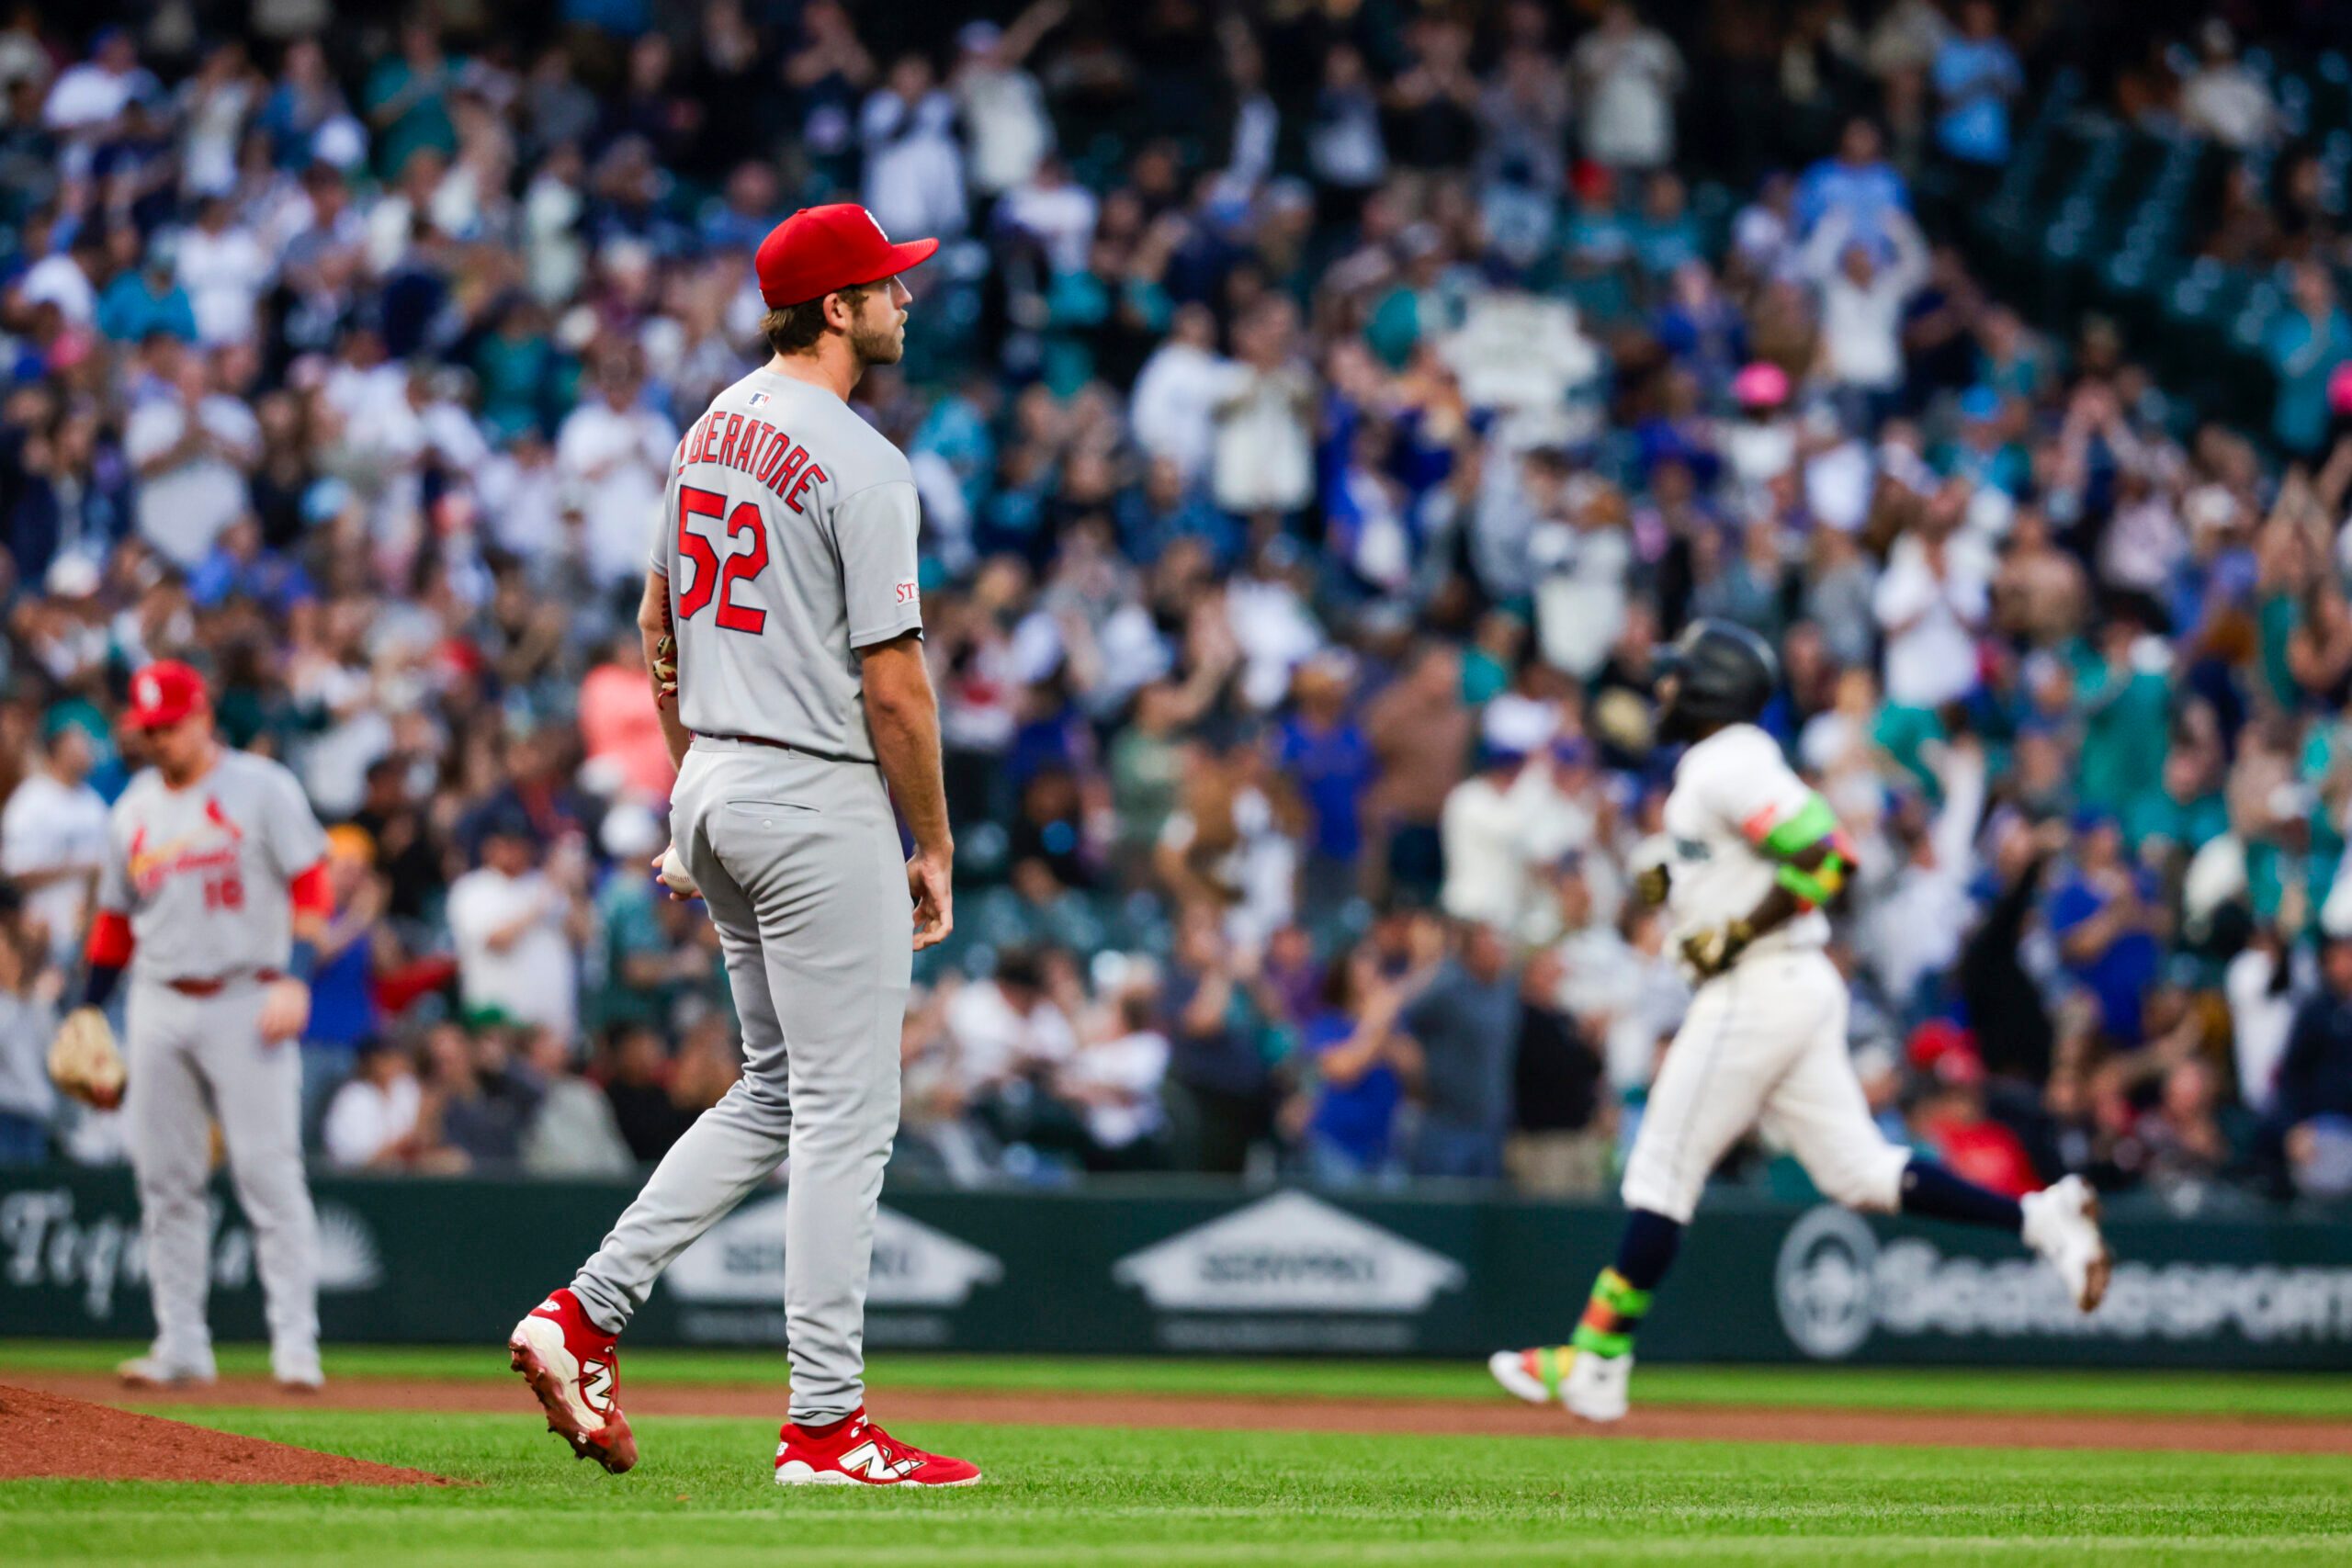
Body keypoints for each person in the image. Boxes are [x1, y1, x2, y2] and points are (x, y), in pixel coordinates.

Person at [508, 203, 979, 1488]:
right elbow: (896, 687)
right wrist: (929, 839)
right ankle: (826, 1424)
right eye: (885, 284)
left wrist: (697, 779)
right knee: (847, 1115)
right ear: (834, 306)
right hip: (814, 789)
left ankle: (584, 1310)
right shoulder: (866, 460)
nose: (903, 300)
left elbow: (658, 619)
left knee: (776, 1090)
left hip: (717, 774)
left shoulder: (707, 428)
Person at [1490, 621, 2110, 1423]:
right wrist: (1650, 880)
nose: (1665, 688)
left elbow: (1825, 853)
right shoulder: (1709, 771)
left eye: (1679, 676)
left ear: (1711, 687)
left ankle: (1599, 1359)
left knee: (1660, 1169)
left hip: (1759, 984)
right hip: (1786, 984)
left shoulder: (1730, 758)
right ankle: (2040, 1217)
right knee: (1858, 1171)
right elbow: (1678, 879)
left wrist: (1739, 928)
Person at [74, 660, 332, 1390]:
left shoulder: (261, 787)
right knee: (165, 1180)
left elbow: (312, 877)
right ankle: (181, 1342)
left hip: (248, 994)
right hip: (157, 997)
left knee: (267, 1172)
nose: (157, 740)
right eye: (147, 728)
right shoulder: (131, 810)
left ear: (202, 716)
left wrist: (296, 975)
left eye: (168, 725)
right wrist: (91, 1006)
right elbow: (116, 922)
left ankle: (294, 1346)